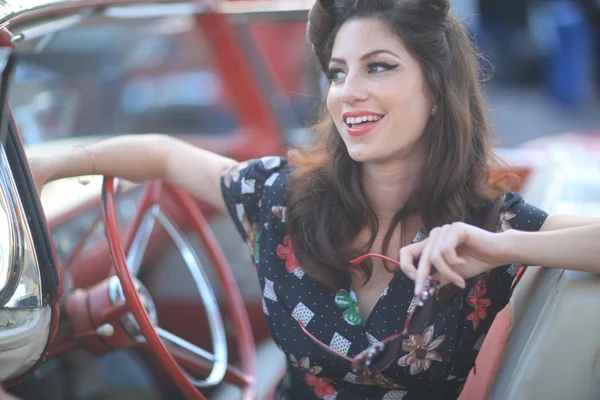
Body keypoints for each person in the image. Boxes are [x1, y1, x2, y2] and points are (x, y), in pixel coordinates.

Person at [29, 0, 600, 399]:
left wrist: (504, 247)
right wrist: (55, 163)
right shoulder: (278, 198)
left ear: (435, 90)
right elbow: (163, 156)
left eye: (378, 67)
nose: (348, 91)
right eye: (336, 72)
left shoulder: (487, 222)